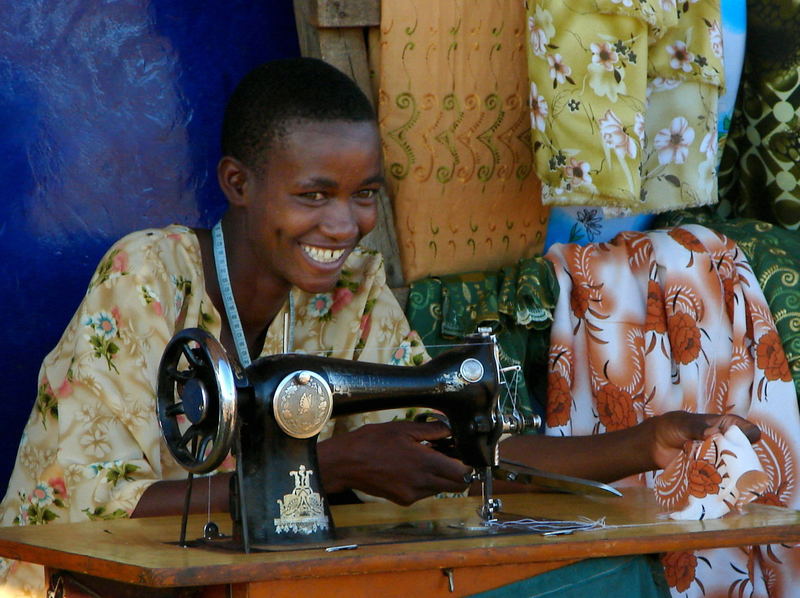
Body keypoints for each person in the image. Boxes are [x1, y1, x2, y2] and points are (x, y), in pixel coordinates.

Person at [0, 57, 759, 596]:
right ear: (238, 182)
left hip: (275, 581)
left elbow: (446, 444)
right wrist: (334, 469)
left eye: (365, 194)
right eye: (314, 193)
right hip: (107, 587)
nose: (345, 223)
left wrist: (644, 444)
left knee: (620, 574)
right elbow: (83, 511)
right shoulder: (148, 277)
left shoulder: (353, 289)